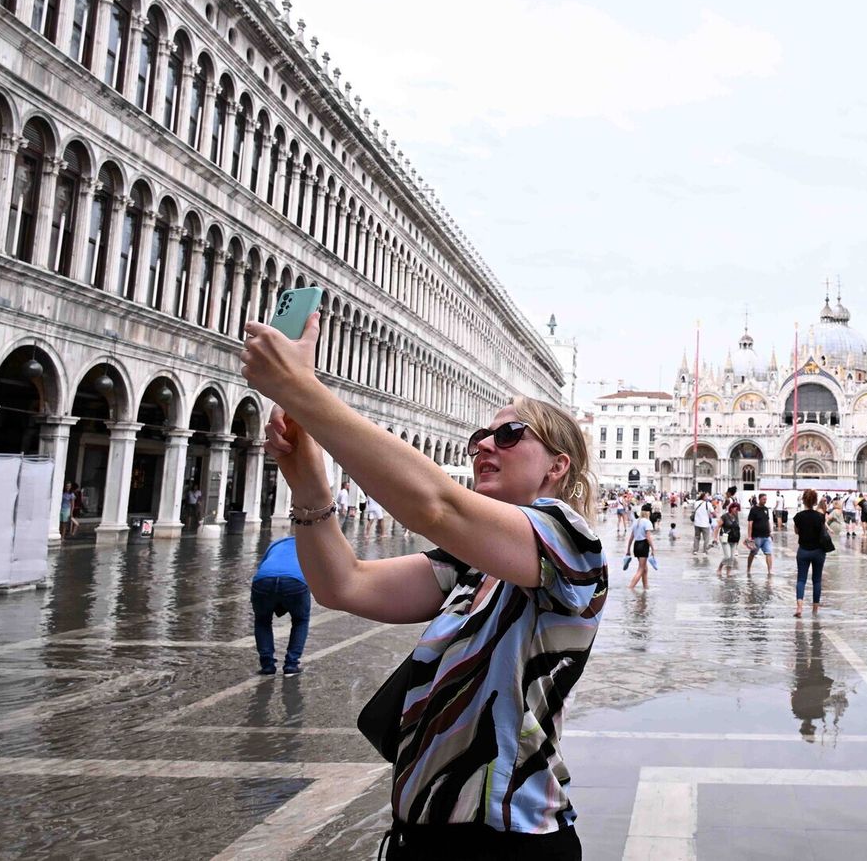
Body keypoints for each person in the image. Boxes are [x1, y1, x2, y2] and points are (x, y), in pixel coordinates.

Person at [242, 314, 604, 859]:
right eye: (479, 436)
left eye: (508, 435)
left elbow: (436, 505)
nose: (484, 446)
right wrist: (309, 485)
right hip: (420, 834)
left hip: (510, 840)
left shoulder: (570, 546)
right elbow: (345, 584)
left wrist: (301, 389)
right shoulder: (470, 567)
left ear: (558, 465)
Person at [251, 534, 312, 675]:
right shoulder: (310, 546)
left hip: (263, 579)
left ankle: (267, 665)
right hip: (295, 581)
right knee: (301, 620)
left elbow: (262, 565)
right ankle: (291, 664)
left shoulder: (276, 543)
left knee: (262, 621)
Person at [793, 489, 829, 618]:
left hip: (803, 550)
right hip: (818, 551)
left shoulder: (798, 516)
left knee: (801, 579)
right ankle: (815, 610)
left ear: (803, 500)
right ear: (815, 501)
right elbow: (823, 531)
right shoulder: (820, 516)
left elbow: (796, 532)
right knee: (817, 580)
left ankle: (799, 607)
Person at [626, 503, 654, 591]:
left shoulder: (636, 521)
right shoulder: (647, 522)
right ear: (648, 512)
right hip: (643, 545)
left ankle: (646, 587)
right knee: (641, 569)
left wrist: (628, 549)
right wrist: (653, 549)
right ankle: (630, 587)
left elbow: (631, 537)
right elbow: (648, 537)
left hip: (636, 545)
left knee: (644, 568)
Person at [746, 495, 774, 576]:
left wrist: (770, 532)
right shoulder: (754, 509)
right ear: (759, 499)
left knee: (768, 553)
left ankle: (770, 571)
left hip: (766, 536)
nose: (765, 501)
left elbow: (767, 521)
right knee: (753, 553)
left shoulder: (766, 509)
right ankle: (748, 568)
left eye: (766, 499)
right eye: (763, 499)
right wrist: (749, 536)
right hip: (757, 536)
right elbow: (750, 523)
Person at [717, 501, 742, 575]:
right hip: (724, 537)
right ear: (731, 508)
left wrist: (738, 539)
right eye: (736, 509)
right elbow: (717, 527)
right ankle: (720, 567)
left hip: (733, 538)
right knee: (727, 556)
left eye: (738, 510)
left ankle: (728, 572)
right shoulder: (725, 516)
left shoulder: (736, 517)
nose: (737, 511)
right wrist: (715, 538)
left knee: (732, 557)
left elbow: (737, 528)